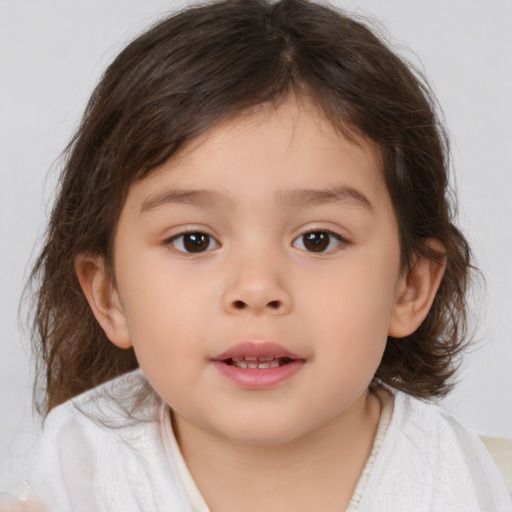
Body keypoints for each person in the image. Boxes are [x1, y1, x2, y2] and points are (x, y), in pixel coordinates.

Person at [15, 0, 511, 510]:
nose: (256, 289)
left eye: (318, 239)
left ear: (409, 287)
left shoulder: (451, 480)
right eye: (194, 240)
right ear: (109, 294)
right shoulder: (83, 470)